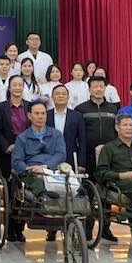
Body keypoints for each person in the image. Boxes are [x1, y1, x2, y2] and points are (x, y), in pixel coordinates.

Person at [45, 84, 86, 242]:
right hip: (50, 159)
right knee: (53, 191)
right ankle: (52, 228)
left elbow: (82, 140)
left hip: (70, 159)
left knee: (70, 192)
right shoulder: (46, 115)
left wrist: (81, 163)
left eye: (64, 94)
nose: (61, 96)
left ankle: (71, 226)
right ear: (52, 97)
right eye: (57, 94)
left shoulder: (77, 116)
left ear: (68, 97)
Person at [0, 75, 29, 242]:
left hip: (26, 153)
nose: (17, 87)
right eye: (14, 85)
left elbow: (33, 128)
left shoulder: (29, 106)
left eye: (20, 85)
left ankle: (19, 228)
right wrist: (6, 145)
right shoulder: (1, 107)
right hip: (7, 152)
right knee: (9, 191)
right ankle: (8, 228)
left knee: (24, 191)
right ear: (9, 88)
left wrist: (23, 146)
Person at [11, 101, 67, 199]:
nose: (40, 117)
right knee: (35, 183)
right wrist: (30, 170)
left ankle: (79, 193)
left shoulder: (56, 134)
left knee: (71, 181)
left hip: (54, 170)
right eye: (37, 114)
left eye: (43, 113)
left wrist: (46, 167)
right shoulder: (22, 138)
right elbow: (17, 161)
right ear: (29, 116)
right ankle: (43, 195)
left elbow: (61, 154)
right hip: (32, 172)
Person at [75, 76, 119, 179]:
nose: (98, 89)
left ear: (105, 89)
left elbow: (117, 131)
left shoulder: (113, 109)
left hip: (110, 154)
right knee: (89, 184)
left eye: (101, 87)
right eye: (95, 87)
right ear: (89, 90)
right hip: (88, 155)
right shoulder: (80, 109)